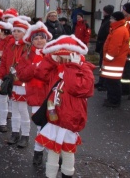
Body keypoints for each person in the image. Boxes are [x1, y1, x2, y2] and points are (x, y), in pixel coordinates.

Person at [35, 35, 95, 178]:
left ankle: (67, 174)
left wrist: (73, 67)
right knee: (53, 151)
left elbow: (80, 89)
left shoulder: (84, 68)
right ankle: (50, 175)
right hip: (54, 117)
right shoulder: (57, 68)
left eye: (63, 56)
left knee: (68, 152)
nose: (61, 60)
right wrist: (50, 60)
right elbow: (39, 74)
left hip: (70, 118)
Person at [16, 21, 53, 166]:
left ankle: (51, 152)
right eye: (36, 38)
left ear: (46, 39)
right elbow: (22, 75)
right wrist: (34, 67)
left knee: (52, 124)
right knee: (40, 125)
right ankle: (38, 151)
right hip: (36, 96)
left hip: (51, 97)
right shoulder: (26, 57)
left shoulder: (52, 55)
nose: (39, 41)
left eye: (41, 38)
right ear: (31, 41)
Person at [0, 16, 31, 148]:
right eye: (15, 31)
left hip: (23, 83)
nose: (16, 33)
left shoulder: (28, 48)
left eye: (19, 31)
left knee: (23, 109)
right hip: (12, 82)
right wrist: (1, 76)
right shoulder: (11, 46)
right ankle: (15, 132)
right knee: (14, 109)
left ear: (25, 33)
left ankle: (25, 135)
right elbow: (4, 61)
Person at [100, 11, 129, 107]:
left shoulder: (119, 30)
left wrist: (107, 58)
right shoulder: (117, 29)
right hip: (114, 61)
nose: (110, 20)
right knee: (111, 82)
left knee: (113, 83)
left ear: (116, 19)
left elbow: (114, 48)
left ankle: (114, 101)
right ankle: (111, 99)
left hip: (114, 62)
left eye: (112, 18)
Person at [94, 5, 114, 91]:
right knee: (101, 64)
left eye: (104, 11)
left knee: (104, 64)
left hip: (104, 44)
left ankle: (104, 83)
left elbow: (107, 34)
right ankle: (101, 82)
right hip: (102, 44)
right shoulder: (106, 20)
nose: (103, 12)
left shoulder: (109, 21)